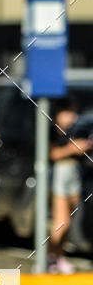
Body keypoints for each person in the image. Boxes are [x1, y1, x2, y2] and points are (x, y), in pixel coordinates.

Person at [48, 97, 93, 274]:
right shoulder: (52, 131)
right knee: (62, 222)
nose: (71, 117)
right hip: (60, 174)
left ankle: (59, 257)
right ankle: (49, 257)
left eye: (73, 113)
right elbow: (52, 154)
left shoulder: (75, 130)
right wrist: (72, 149)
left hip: (75, 173)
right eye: (67, 113)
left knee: (70, 220)